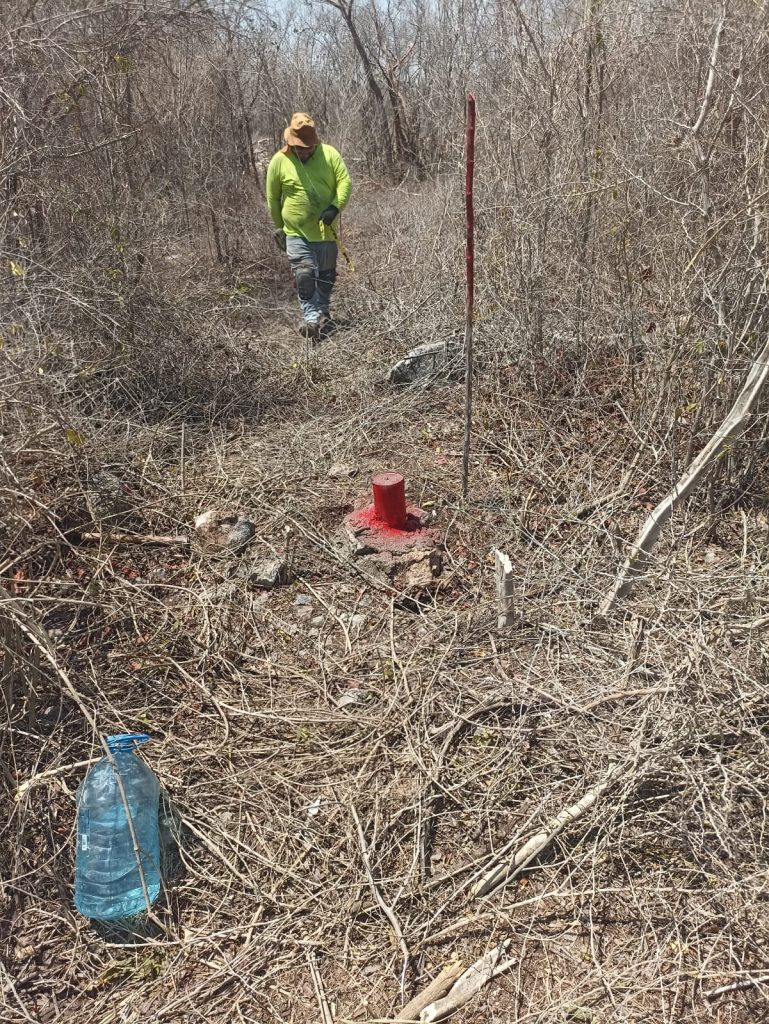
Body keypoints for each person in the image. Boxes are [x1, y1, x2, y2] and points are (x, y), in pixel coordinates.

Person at [266, 113, 352, 339]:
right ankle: (310, 319)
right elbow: (273, 197)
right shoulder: (279, 160)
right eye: (298, 148)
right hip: (295, 232)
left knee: (326, 276)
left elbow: (345, 182)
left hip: (325, 232)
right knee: (304, 276)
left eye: (307, 148)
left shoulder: (330, 154)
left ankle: (323, 310)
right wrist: (279, 227)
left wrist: (334, 207)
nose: (303, 152)